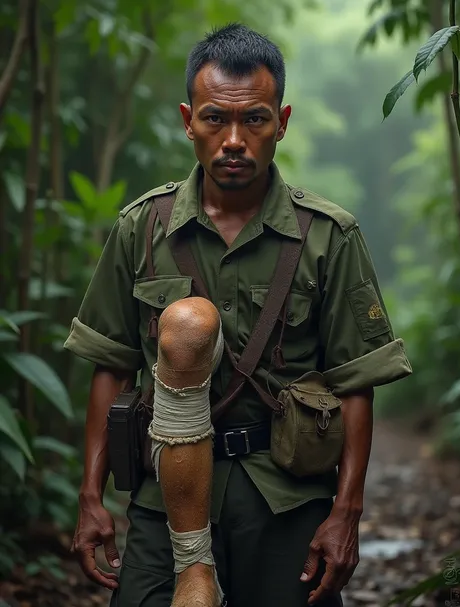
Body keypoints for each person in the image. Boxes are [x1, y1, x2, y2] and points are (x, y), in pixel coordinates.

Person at [64, 23, 412, 607]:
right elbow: (111, 366)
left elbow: (357, 383)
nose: (233, 139)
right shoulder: (141, 229)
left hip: (285, 495)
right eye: (213, 119)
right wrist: (90, 497)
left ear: (282, 121)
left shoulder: (328, 237)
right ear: (187, 120)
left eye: (253, 119)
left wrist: (346, 512)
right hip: (163, 497)